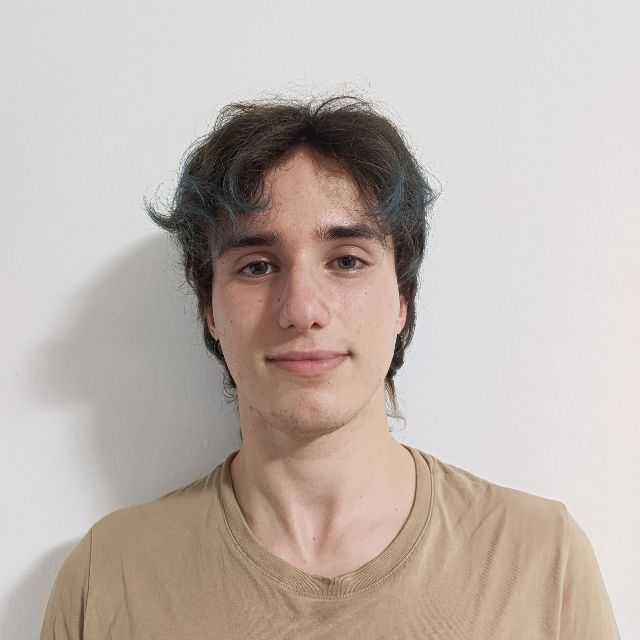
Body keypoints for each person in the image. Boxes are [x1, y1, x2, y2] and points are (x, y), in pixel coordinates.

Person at [40, 95, 621, 639]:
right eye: (257, 266)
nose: (301, 310)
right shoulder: (109, 575)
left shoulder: (540, 560)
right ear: (209, 309)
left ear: (402, 299)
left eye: (346, 261)